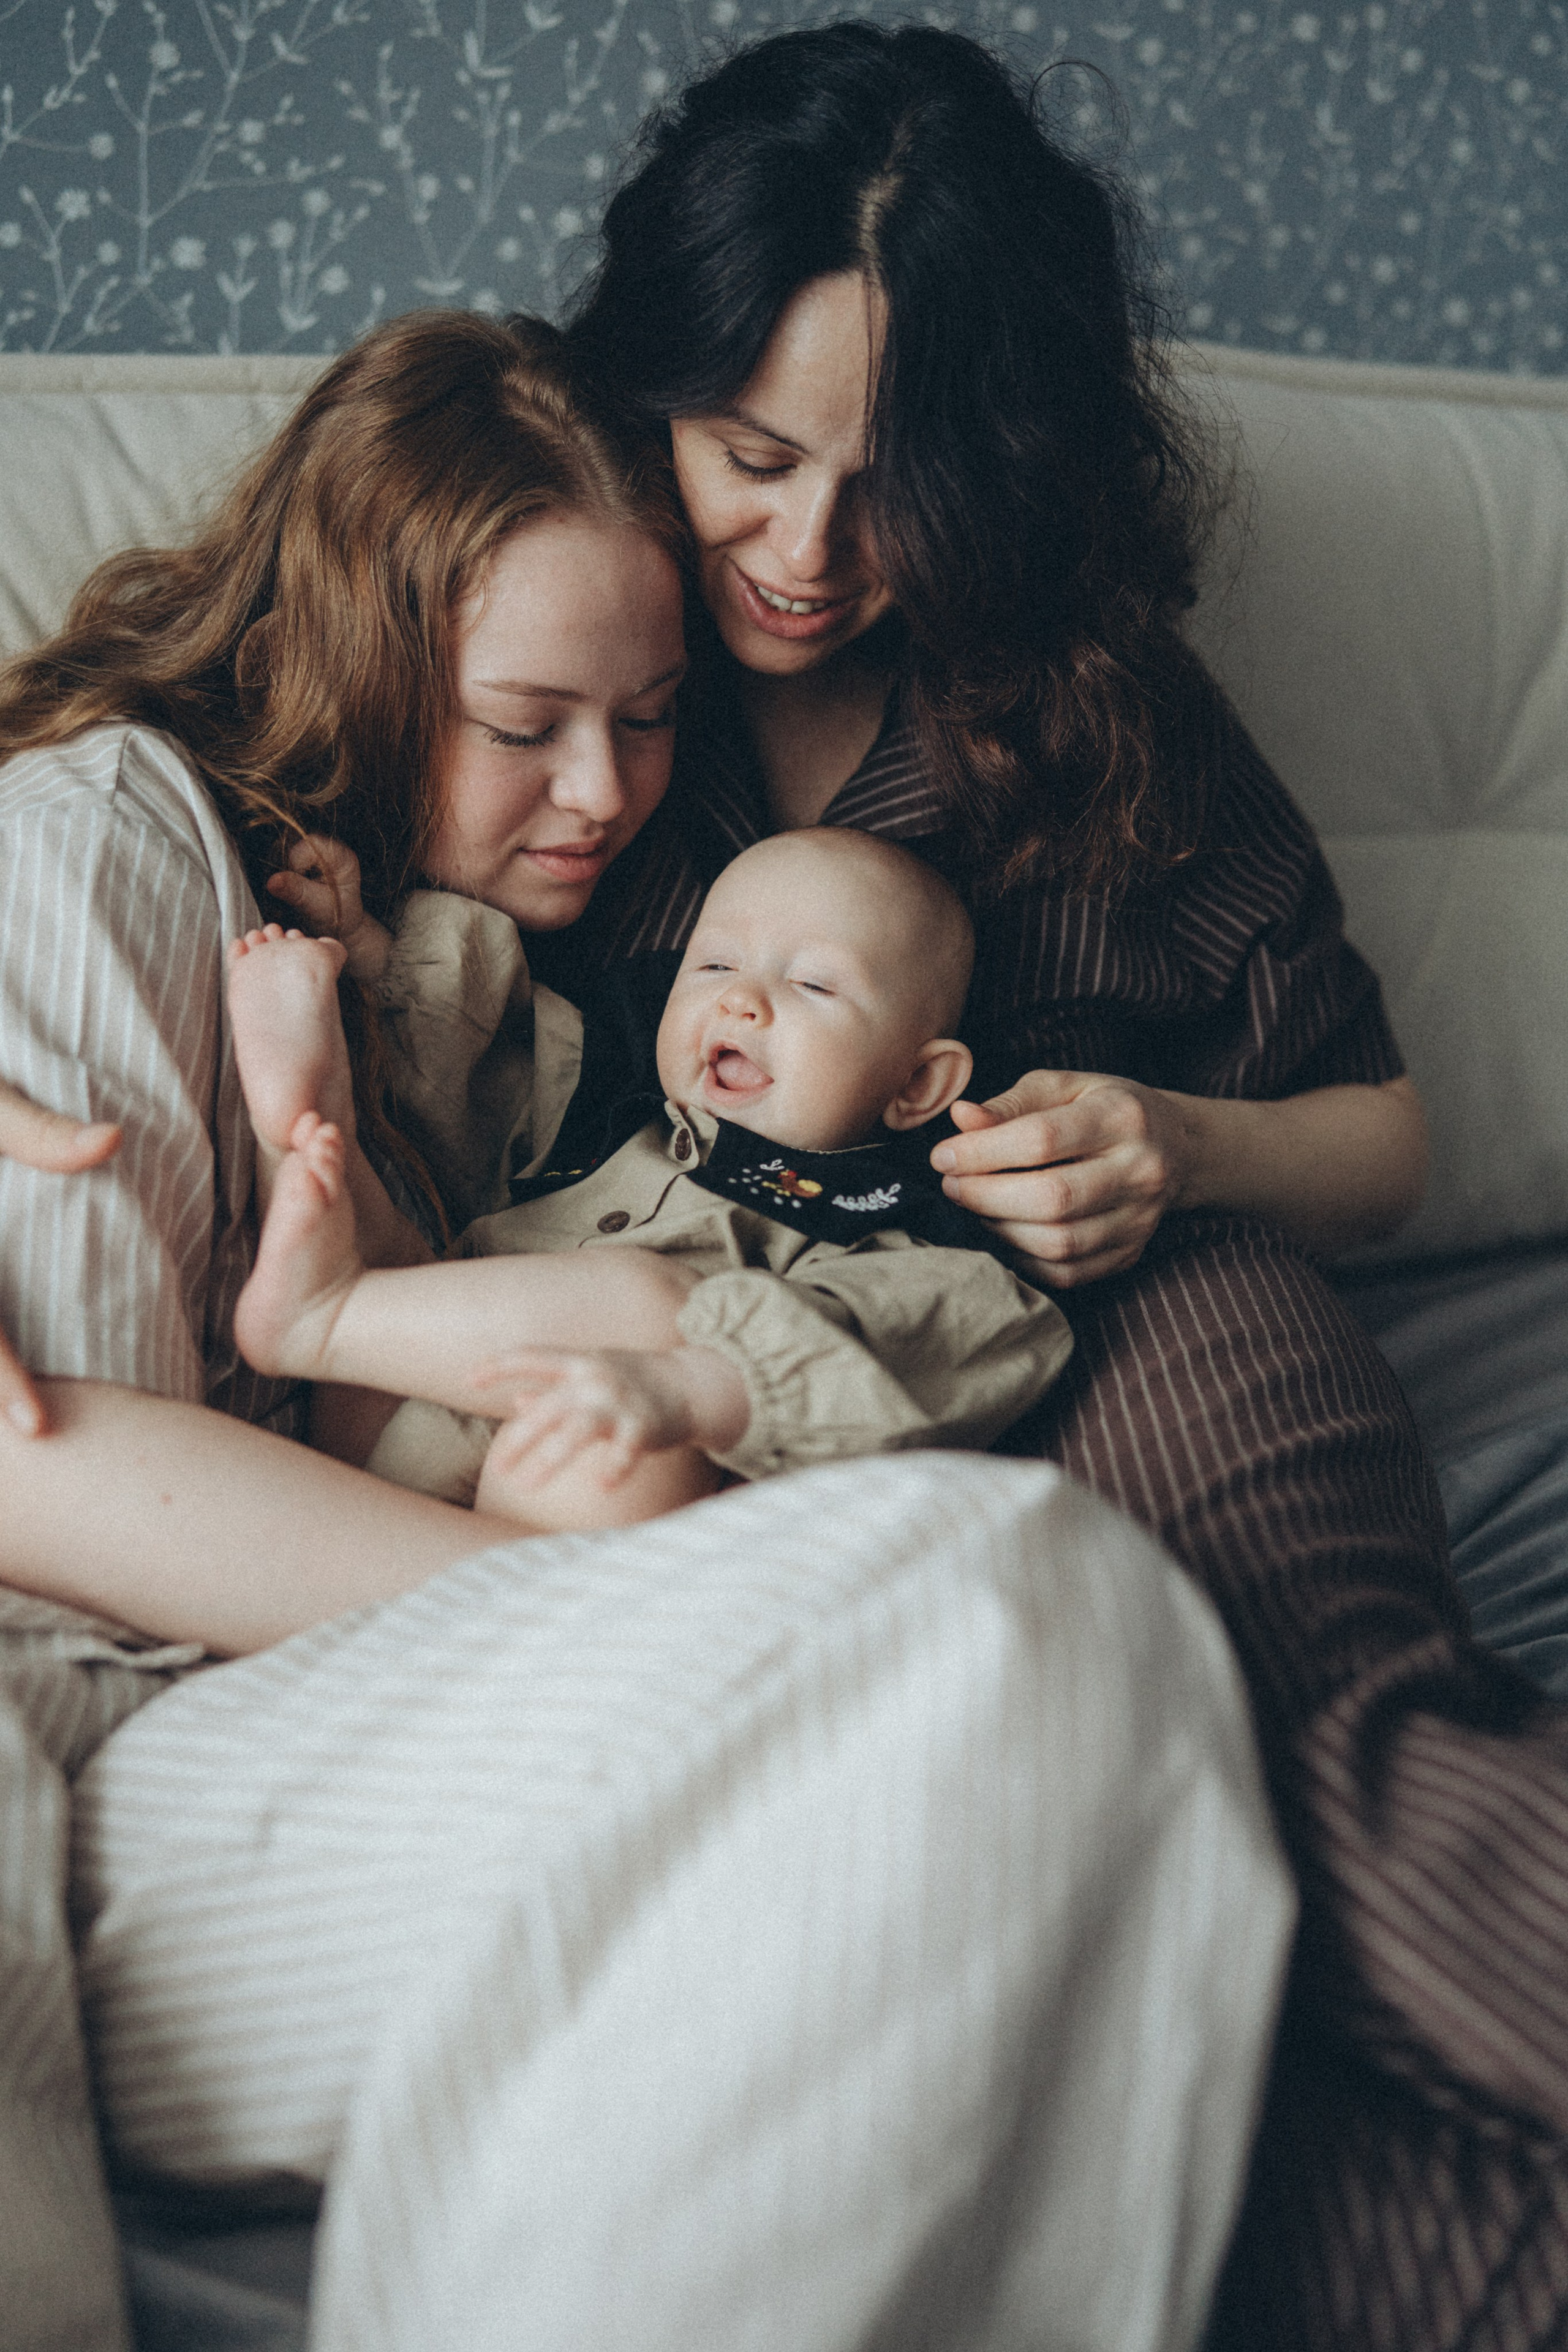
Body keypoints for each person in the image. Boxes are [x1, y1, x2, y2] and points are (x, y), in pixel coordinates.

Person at [0, 307, 1294, 2352]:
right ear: (353, 650)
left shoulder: (457, 997)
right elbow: (26, 1469)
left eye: (652, 716)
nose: (603, 796)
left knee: (1058, 1610)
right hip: (72, 1756)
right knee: (975, 1617)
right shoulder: (98, 845)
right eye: (527, 726)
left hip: (274, 1768)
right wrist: (550, 1584)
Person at [555, 23, 1568, 2351]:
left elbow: (1383, 1133)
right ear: (653, 396)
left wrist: (1173, 1142)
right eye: (746, 456)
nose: (806, 556)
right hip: (788, 1395)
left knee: (1332, 1767)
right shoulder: (555, 643)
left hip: (1157, 1314)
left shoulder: (1074, 688)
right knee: (1108, 1980)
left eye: (889, 483)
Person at [223, 827, 1072, 1526]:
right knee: (358, 1184)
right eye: (713, 967)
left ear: (917, 1085)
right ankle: (299, 1114)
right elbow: (483, 1072)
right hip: (403, 1372)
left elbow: (971, 1332)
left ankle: (321, 1307)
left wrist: (693, 1386)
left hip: (560, 1477)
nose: (742, 1001)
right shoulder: (611, 1092)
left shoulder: (889, 1213)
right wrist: (377, 955)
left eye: (811, 984)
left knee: (646, 1322)